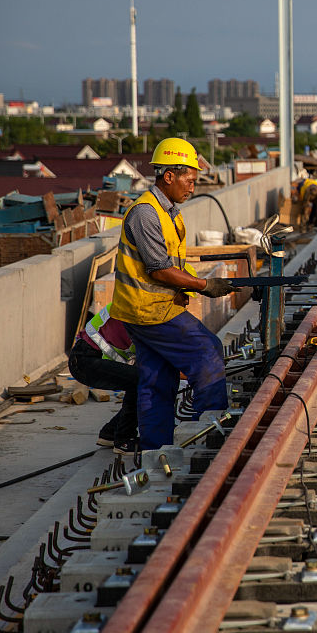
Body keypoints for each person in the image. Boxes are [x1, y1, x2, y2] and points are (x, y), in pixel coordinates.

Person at [111, 138, 237, 451]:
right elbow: (159, 269)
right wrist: (205, 286)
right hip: (149, 311)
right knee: (206, 352)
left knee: (157, 378)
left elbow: (171, 265)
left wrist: (190, 283)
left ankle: (156, 449)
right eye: (190, 180)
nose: (193, 187)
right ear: (169, 176)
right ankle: (209, 437)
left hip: (149, 309)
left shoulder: (169, 212)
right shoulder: (146, 214)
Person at [69, 303, 139, 452]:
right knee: (142, 381)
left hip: (87, 357)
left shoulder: (134, 299)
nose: (185, 302)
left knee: (139, 380)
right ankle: (124, 440)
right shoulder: (140, 308)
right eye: (184, 296)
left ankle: (110, 433)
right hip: (84, 360)